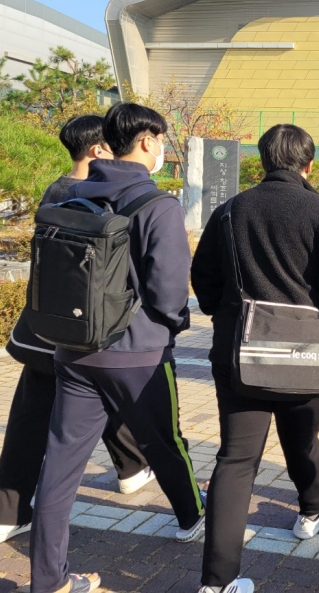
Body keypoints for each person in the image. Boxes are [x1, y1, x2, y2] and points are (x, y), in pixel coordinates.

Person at [29, 104, 204, 593]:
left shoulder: (71, 196)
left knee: (60, 468)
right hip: (140, 356)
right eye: (162, 140)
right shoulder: (158, 205)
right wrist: (170, 326)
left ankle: (50, 581)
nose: (164, 149)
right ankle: (192, 517)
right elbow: (169, 294)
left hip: (74, 350)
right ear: (146, 140)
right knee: (166, 442)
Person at [191, 124, 319, 593]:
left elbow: (202, 276)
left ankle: (217, 583)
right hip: (303, 353)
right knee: (301, 440)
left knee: (236, 459)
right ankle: (311, 509)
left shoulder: (230, 211)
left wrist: (223, 312)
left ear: (262, 161)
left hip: (238, 351)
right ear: (309, 165)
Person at [0, 116, 153, 548]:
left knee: (30, 419)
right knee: (100, 397)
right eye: (113, 146)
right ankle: (137, 473)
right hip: (92, 333)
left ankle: (5, 515)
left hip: (45, 330)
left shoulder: (54, 193)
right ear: (98, 151)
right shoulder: (104, 199)